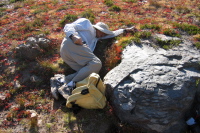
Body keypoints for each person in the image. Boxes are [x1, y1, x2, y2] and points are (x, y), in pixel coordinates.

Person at [56, 18, 137, 99]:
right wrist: (73, 36)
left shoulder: (96, 39)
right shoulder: (87, 24)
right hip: (70, 44)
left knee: (88, 72)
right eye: (102, 32)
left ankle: (61, 81)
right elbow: (68, 26)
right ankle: (69, 87)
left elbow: (112, 34)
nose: (103, 35)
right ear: (97, 29)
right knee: (96, 64)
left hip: (69, 56)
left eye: (105, 34)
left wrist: (125, 30)